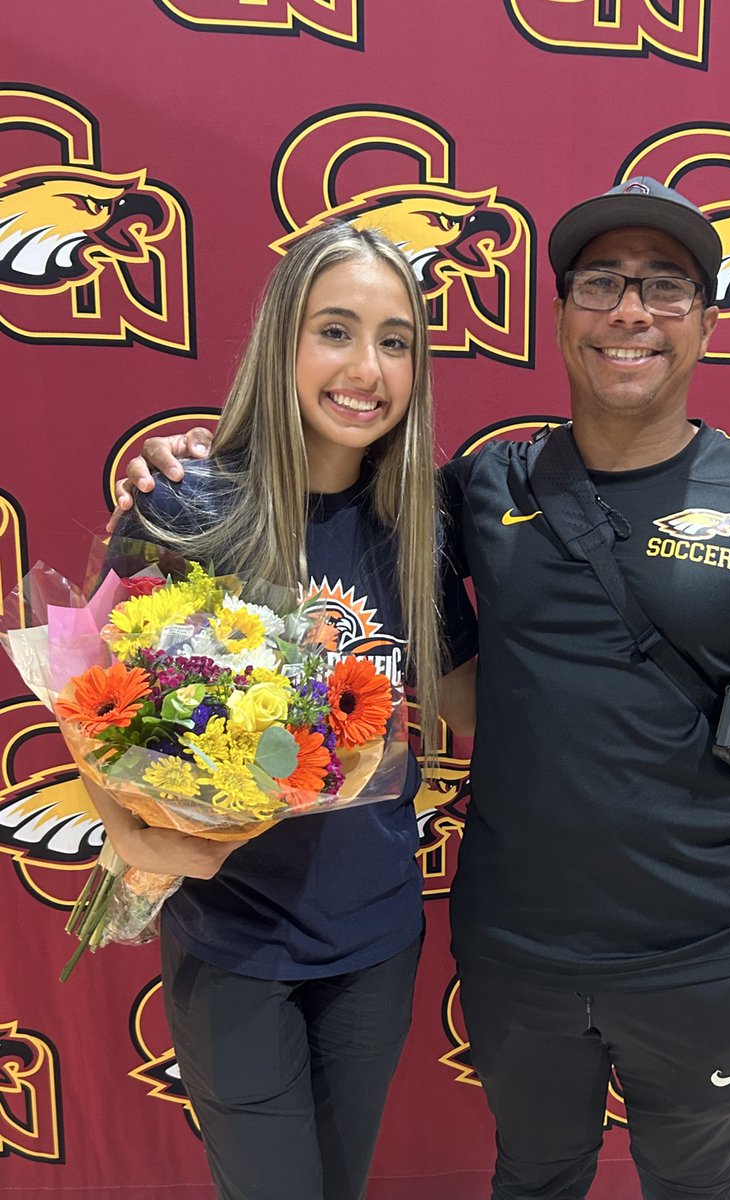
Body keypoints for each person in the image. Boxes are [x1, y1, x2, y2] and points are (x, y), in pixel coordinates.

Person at [116, 179, 730, 1200]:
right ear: (561, 312)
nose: (630, 311)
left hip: (704, 953)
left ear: (708, 316)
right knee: (530, 1175)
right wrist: (195, 474)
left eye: (665, 286)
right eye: (602, 282)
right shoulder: (480, 490)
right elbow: (146, 696)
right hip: (504, 956)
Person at [88, 221, 478, 1200]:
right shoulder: (184, 511)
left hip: (378, 943)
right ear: (282, 343)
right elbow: (106, 735)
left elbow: (475, 701)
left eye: (396, 341)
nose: (367, 367)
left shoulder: (420, 527)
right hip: (236, 946)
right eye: (335, 330)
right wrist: (138, 839)